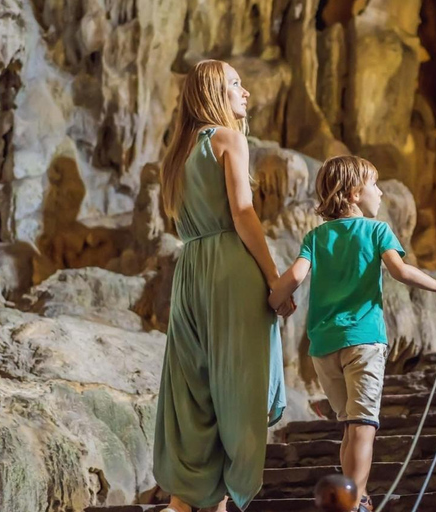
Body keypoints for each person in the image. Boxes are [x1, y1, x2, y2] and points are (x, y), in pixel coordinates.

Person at [268, 155, 436, 511]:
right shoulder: (377, 231)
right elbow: (400, 271)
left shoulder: (315, 236)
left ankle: (346, 498)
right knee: (364, 424)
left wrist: (276, 301)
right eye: (374, 185)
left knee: (350, 426)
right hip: (363, 340)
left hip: (324, 347)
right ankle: (356, 500)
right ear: (353, 194)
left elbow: (297, 276)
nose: (380, 193)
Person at [153, 59, 293, 512]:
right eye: (236, 84)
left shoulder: (175, 155)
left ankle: (181, 502)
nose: (245, 92)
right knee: (238, 386)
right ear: (215, 93)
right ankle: (223, 501)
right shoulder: (229, 139)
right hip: (231, 268)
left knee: (192, 388)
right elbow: (243, 213)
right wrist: (273, 277)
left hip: (190, 270)